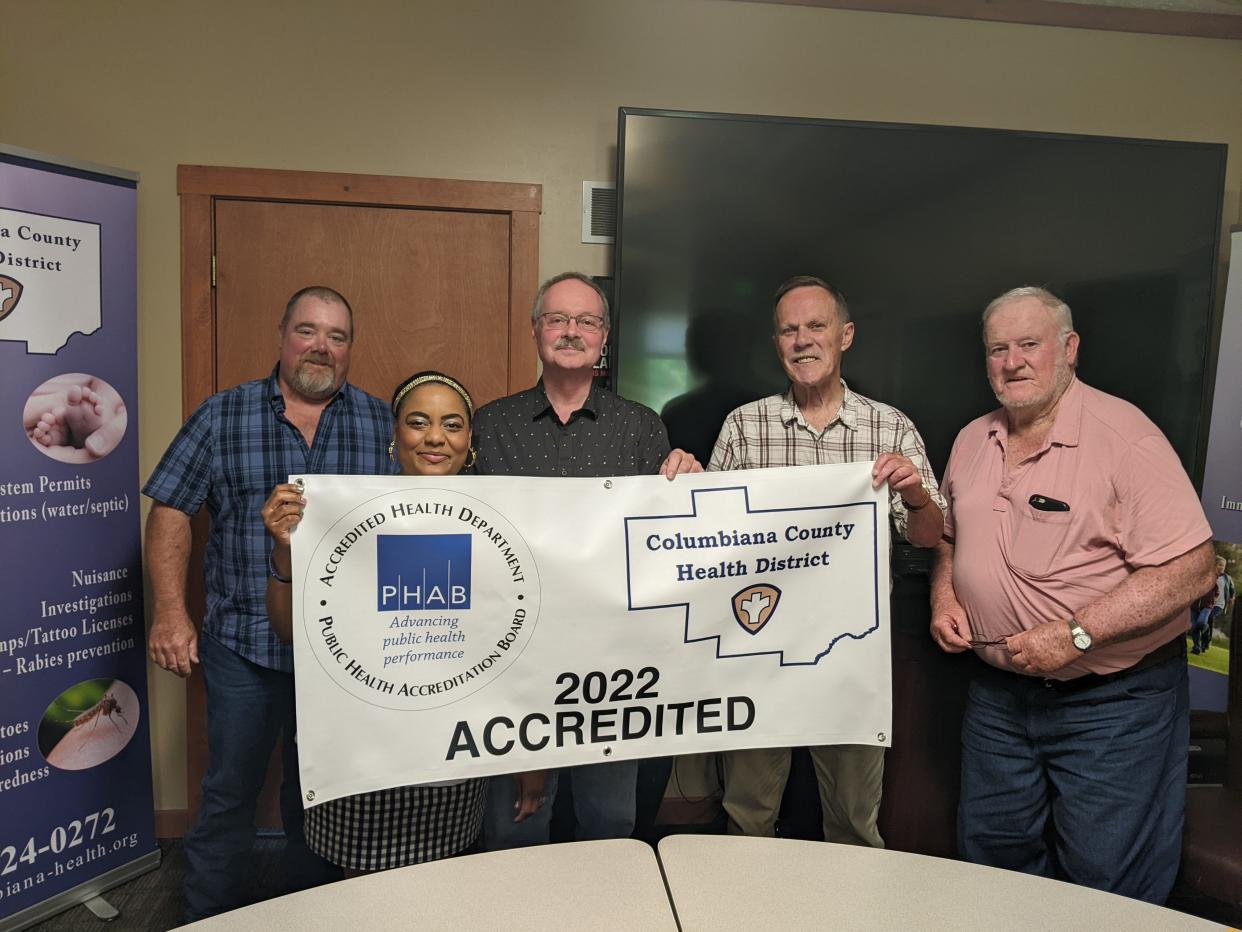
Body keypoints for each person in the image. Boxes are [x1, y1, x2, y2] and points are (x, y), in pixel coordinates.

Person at [930, 285, 1216, 904]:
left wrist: (1075, 634)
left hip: (1113, 706)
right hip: (999, 702)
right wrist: (944, 598)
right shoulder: (971, 439)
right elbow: (951, 539)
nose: (1013, 362)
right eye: (998, 349)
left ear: (1069, 349)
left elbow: (1195, 570)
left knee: (1107, 885)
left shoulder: (1126, 437)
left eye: (1029, 344)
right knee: (991, 870)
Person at [144, 286, 393, 921]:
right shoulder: (222, 416)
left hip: (341, 652)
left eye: (337, 337)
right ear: (282, 336)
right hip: (246, 645)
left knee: (317, 796)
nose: (322, 347)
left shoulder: (380, 421)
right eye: (308, 331)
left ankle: (302, 913)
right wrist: (172, 612)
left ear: (350, 349)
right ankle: (210, 916)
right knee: (230, 792)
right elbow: (171, 508)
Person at [261, 370, 543, 872]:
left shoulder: (504, 522)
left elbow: (517, 649)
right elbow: (288, 631)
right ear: (395, 436)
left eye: (452, 424)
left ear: (469, 442)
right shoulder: (341, 514)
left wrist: (528, 758)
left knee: (445, 896)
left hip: (454, 765)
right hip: (361, 767)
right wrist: (286, 552)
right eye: (419, 422)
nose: (435, 436)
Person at [709, 275, 945, 846]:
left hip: (850, 655)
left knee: (854, 819)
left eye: (816, 326)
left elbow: (932, 536)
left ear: (845, 336)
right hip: (756, 652)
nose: (802, 340)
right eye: (789, 330)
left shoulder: (890, 427)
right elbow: (708, 538)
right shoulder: (744, 426)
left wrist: (914, 494)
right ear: (776, 343)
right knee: (746, 813)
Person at [473, 270, 701, 848]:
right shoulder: (489, 425)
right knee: (514, 826)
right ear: (535, 331)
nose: (571, 331)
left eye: (586, 321)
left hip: (612, 664)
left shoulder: (642, 428)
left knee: (609, 825)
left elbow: (664, 544)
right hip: (515, 656)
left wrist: (692, 491)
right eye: (557, 319)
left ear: (604, 337)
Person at [1191, 555, 1235, 654]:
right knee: (1202, 623)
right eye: (1220, 565)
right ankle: (1201, 645)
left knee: (1207, 619)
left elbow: (1232, 589)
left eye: (1223, 566)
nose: (1222, 567)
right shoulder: (1210, 575)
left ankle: (1205, 642)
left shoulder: (1227, 578)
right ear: (1214, 564)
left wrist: (1232, 598)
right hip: (1207, 603)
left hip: (1219, 604)